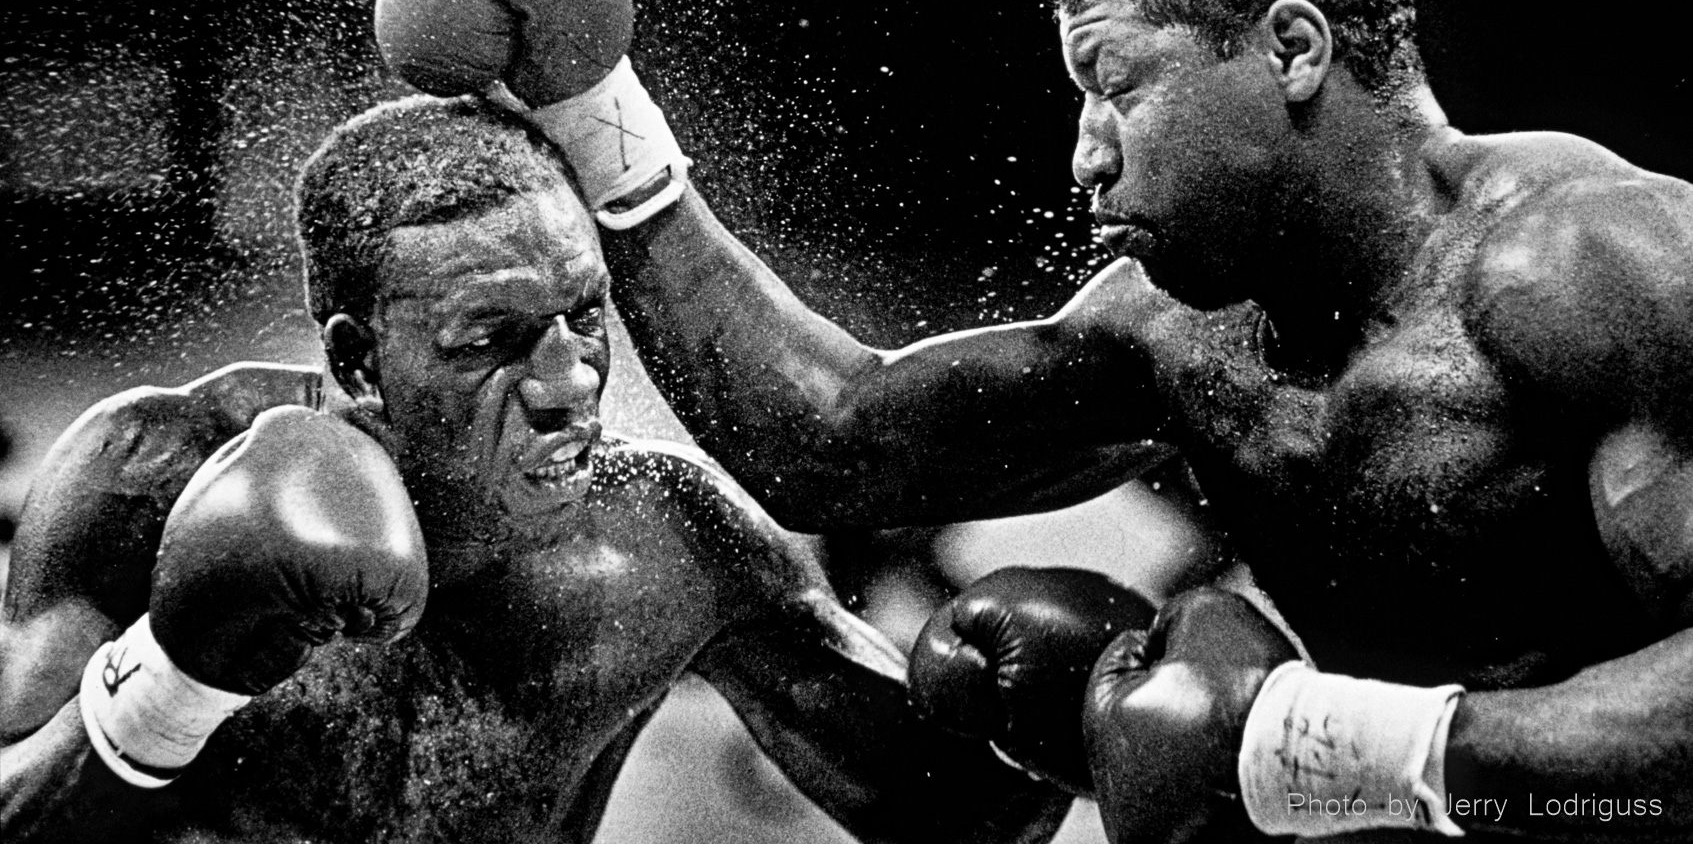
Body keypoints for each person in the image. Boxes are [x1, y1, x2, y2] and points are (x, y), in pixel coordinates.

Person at [382, 0, 1693, 841]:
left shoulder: (1602, 268)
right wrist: (591, 103)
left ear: (1289, 49)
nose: (1084, 156)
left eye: (1114, 83)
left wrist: (1308, 742)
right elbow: (830, 440)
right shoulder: (1176, 336)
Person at [0, 96, 1073, 843]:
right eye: (492, 339)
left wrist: (1066, 713)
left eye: (584, 315)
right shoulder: (147, 476)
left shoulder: (667, 539)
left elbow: (957, 818)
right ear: (354, 359)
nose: (567, 378)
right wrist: (173, 680)